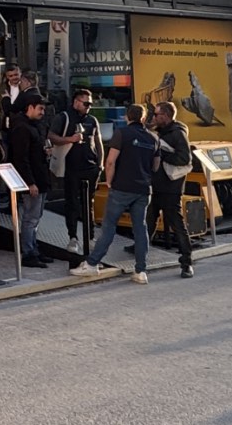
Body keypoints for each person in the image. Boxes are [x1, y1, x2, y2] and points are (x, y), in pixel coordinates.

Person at [72, 103, 159, 284]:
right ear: (143, 119)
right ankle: (141, 270)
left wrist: (109, 181)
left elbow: (110, 161)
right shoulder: (153, 138)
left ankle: (92, 263)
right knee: (140, 228)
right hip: (143, 189)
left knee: (109, 226)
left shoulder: (121, 133)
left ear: (127, 117)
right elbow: (156, 165)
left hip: (122, 187)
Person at [53, 89, 103, 261]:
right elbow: (52, 136)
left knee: (88, 203)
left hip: (90, 166)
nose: (88, 107)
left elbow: (98, 142)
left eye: (90, 104)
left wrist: (100, 164)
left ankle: (90, 236)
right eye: (85, 103)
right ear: (76, 102)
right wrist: (70, 139)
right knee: (72, 203)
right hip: (71, 167)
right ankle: (73, 237)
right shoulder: (64, 117)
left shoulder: (92, 120)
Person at [148, 102, 195, 279]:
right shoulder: (162, 130)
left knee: (176, 222)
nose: (154, 117)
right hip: (157, 183)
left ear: (166, 116)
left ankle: (186, 261)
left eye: (157, 114)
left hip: (171, 186)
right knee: (150, 217)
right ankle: (141, 247)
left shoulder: (178, 133)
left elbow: (184, 158)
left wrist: (161, 153)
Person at [7, 91, 53, 267]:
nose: (42, 112)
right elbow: (21, 158)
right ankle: (29, 253)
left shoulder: (32, 126)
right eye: (40, 108)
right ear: (30, 107)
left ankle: (33, 249)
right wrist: (29, 182)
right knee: (30, 218)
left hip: (39, 177)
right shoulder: (22, 128)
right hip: (33, 179)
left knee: (35, 216)